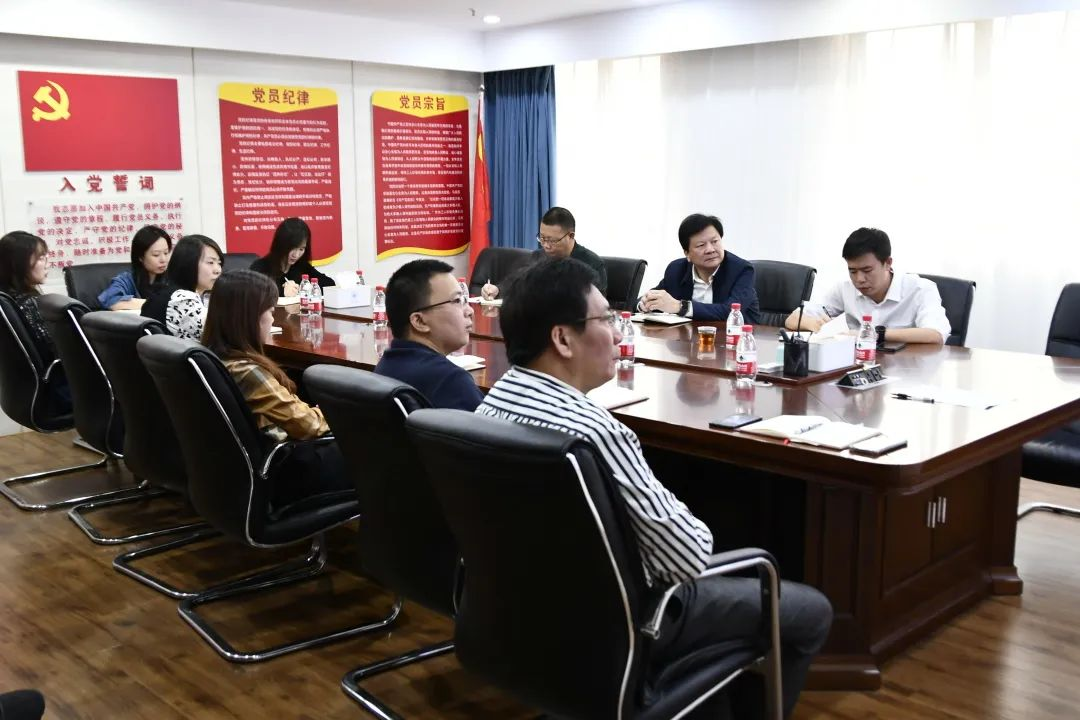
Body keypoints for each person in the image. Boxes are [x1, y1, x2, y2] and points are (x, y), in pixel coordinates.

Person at [478, 258, 831, 719]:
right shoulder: (595, 433)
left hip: (522, 616)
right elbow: (688, 558)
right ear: (562, 339)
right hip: (625, 622)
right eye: (606, 319)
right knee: (809, 611)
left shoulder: (489, 407)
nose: (618, 333)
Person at [202, 269, 349, 507]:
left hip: (253, 471)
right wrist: (337, 412)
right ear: (248, 318)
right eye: (270, 312)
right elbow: (310, 426)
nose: (273, 320)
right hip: (289, 467)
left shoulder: (213, 356)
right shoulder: (247, 371)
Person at [784, 227, 950, 344]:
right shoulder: (844, 288)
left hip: (907, 371)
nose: (859, 279)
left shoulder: (921, 289)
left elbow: (935, 335)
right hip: (857, 368)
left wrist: (872, 334)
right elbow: (792, 319)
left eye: (867, 270)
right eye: (852, 271)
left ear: (888, 263)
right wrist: (817, 326)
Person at [375, 259, 484, 411]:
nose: (470, 311)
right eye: (457, 300)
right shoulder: (451, 381)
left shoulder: (385, 365)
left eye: (465, 300)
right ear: (419, 321)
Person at [638, 213, 760, 323]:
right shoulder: (676, 270)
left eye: (715, 241)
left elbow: (730, 311)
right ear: (687, 254)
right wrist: (645, 304)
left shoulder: (742, 270)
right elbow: (651, 299)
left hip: (736, 338)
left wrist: (680, 307)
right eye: (701, 245)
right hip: (688, 338)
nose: (710, 249)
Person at [0, 231, 71, 413]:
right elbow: (58, 351)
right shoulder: (28, 304)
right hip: (58, 392)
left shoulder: (8, 300)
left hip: (24, 395)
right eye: (40, 258)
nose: (47, 262)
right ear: (18, 264)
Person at [480, 206, 607, 299]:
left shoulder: (592, 264)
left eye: (552, 240)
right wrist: (497, 289)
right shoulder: (539, 257)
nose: (546, 245)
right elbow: (518, 282)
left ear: (571, 236)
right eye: (542, 238)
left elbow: (597, 306)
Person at [141, 234, 222, 340]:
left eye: (219, 263)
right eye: (210, 262)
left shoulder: (171, 291)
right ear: (189, 263)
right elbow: (220, 337)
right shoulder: (182, 299)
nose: (218, 270)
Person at [250, 217, 336, 297]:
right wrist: (282, 292)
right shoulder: (261, 267)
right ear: (281, 244)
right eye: (292, 248)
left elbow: (329, 283)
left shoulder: (301, 266)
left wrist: (306, 287)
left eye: (301, 249)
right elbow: (252, 294)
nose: (296, 255)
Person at [97, 225, 172, 310]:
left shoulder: (172, 278)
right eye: (156, 255)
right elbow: (110, 300)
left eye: (166, 253)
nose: (163, 259)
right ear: (140, 257)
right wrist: (155, 303)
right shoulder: (127, 280)